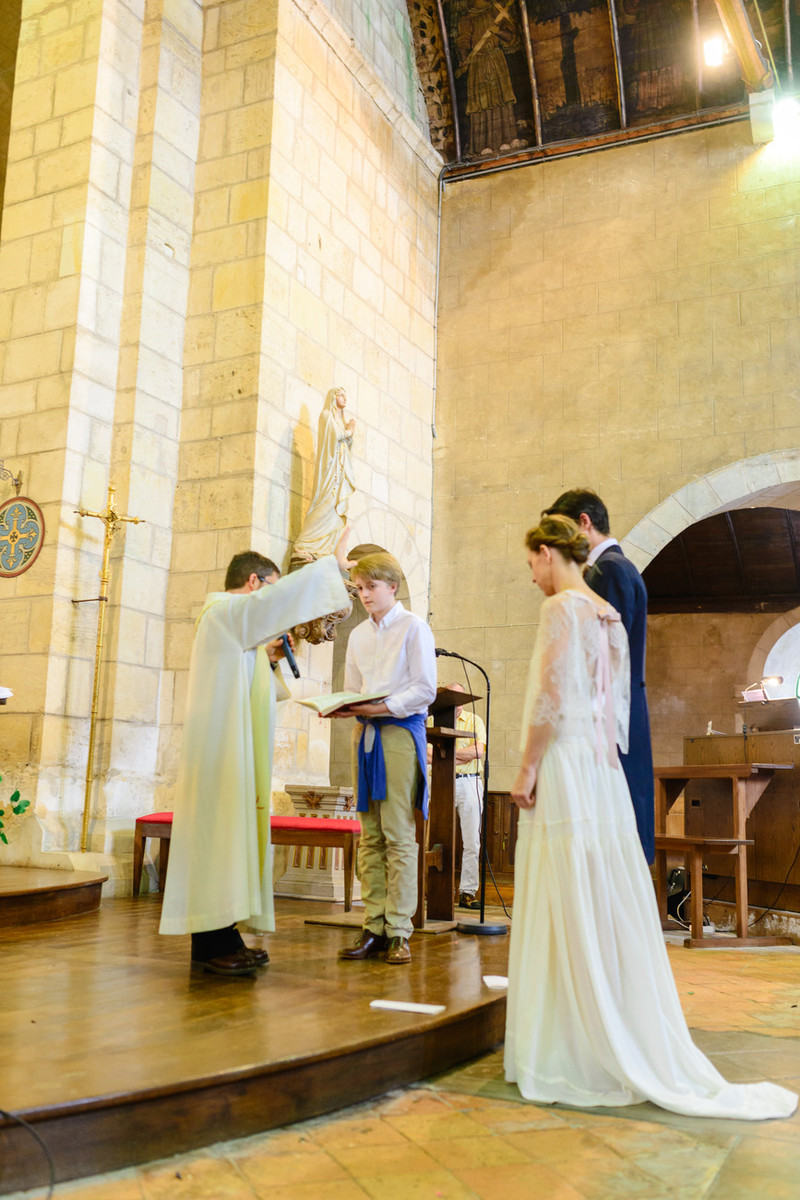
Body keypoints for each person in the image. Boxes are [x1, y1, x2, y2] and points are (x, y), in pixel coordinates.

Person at [504, 514, 797, 1120]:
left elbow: (549, 699)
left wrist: (527, 768)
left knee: (563, 892)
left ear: (548, 554)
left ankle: (566, 1041)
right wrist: (602, 767)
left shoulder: (562, 610)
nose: (531, 574)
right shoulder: (607, 615)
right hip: (601, 769)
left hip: (562, 761)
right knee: (598, 892)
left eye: (531, 562)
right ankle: (603, 1024)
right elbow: (617, 712)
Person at [159, 543, 351, 976]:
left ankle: (224, 936)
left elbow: (251, 686)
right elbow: (274, 606)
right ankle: (211, 944)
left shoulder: (230, 626)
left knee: (227, 843)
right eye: (271, 588)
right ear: (254, 583)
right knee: (218, 843)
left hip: (230, 753)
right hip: (220, 757)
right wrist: (329, 569)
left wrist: (266, 660)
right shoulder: (224, 612)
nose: (271, 600)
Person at [328, 551, 436, 965]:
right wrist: (345, 706)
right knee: (369, 834)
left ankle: (399, 931)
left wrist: (383, 707)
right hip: (365, 734)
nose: (364, 594)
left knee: (397, 833)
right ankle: (372, 925)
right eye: (358, 588)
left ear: (392, 586)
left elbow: (425, 689)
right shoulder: (357, 635)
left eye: (371, 586)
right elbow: (352, 688)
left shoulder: (414, 628)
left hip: (397, 733)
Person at [544, 488, 654, 864]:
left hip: (611, 715)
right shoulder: (613, 569)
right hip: (617, 708)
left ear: (584, 523)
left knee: (614, 824)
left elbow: (605, 660)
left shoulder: (608, 571)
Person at [429, 683, 486, 910]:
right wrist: (460, 757)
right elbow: (426, 753)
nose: (456, 702)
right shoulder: (432, 721)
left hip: (469, 782)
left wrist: (446, 755)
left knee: (472, 840)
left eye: (459, 697)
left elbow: (478, 752)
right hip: (440, 782)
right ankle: (431, 888)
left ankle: (467, 892)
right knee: (434, 837)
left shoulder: (475, 720)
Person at [293, 386, 356, 561]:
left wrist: (349, 433)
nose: (345, 398)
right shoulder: (327, 416)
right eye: (341, 395)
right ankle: (304, 544)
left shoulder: (339, 421)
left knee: (335, 512)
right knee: (325, 504)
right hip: (330, 473)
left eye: (346, 395)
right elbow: (337, 437)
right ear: (333, 397)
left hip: (339, 472)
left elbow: (344, 444)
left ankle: (323, 550)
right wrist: (350, 430)